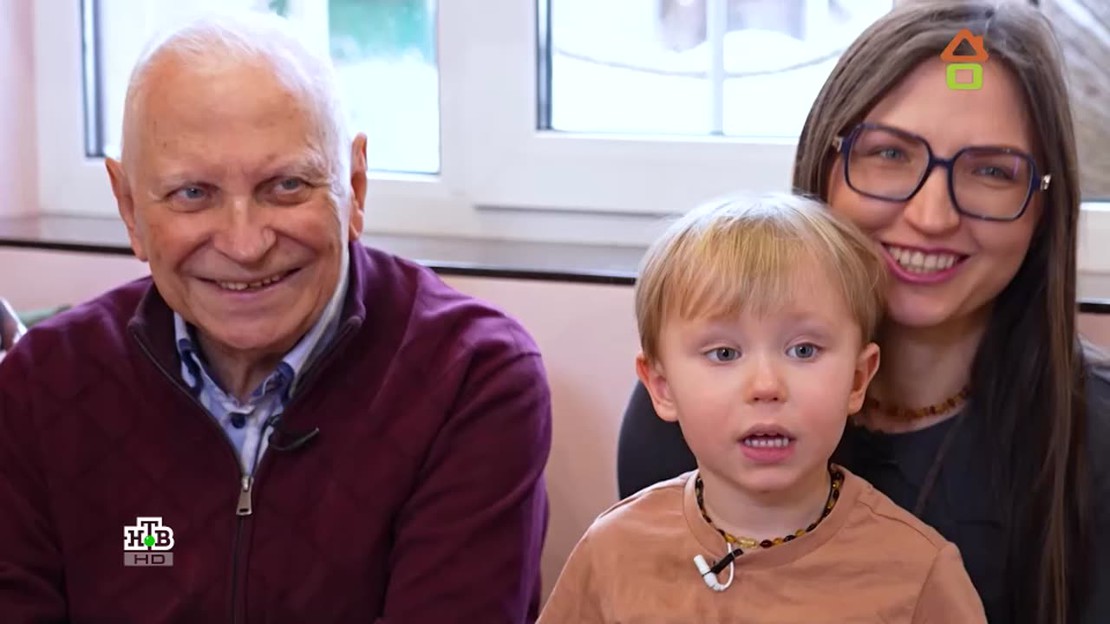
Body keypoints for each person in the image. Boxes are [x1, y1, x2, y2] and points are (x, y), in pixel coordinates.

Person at [0, 12, 552, 624]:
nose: (245, 245)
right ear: (129, 208)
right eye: (192, 194)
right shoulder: (40, 387)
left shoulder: (472, 378)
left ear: (355, 187)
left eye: (286, 185)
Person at [617, 2, 1110, 623]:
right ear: (824, 163)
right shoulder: (700, 401)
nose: (932, 217)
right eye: (891, 154)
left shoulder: (1095, 439)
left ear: (1044, 206)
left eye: (991, 170)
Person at [540, 194, 986, 623]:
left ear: (856, 379)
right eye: (724, 354)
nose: (767, 386)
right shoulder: (613, 552)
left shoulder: (918, 574)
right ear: (663, 387)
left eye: (804, 350)